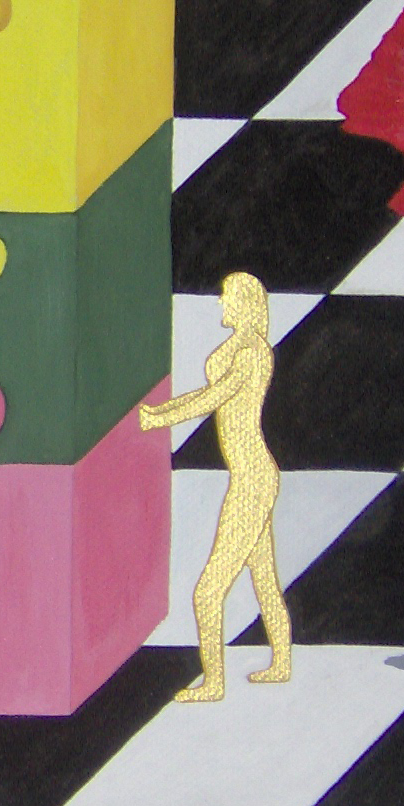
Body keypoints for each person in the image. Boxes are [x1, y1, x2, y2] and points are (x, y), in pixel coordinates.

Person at [138, 270, 290, 703]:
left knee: (208, 592)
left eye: (226, 297)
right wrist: (159, 413)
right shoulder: (241, 347)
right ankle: (281, 664)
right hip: (253, 475)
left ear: (243, 303)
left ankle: (214, 683)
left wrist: (159, 419)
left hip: (253, 478)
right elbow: (209, 393)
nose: (220, 303)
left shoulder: (253, 353)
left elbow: (213, 398)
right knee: (264, 579)